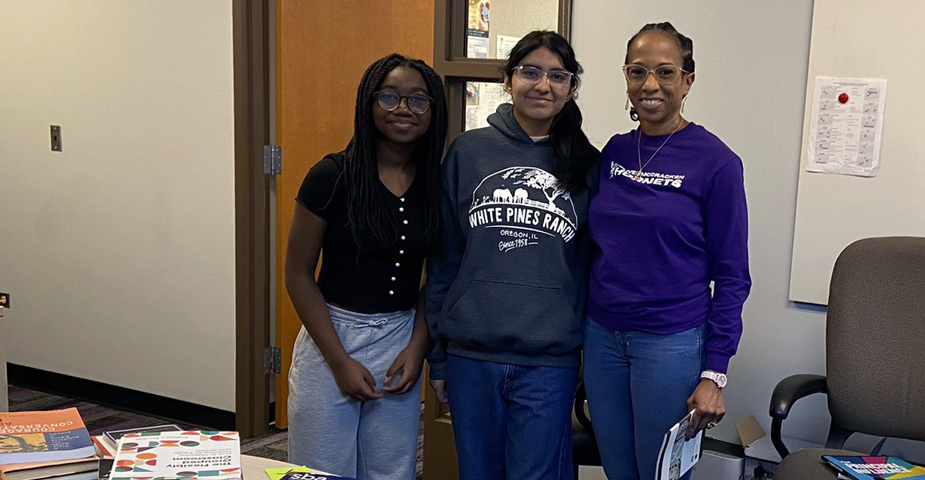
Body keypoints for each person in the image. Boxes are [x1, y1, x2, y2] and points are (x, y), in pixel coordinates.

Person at [425, 30, 600, 480]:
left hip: (549, 361)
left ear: (570, 88)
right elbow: (445, 261)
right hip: (471, 357)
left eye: (558, 76)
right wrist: (439, 358)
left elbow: (590, 269)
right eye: (531, 72)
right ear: (507, 79)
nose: (543, 85)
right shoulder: (468, 151)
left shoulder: (585, 163)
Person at [585, 22, 751, 480]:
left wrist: (713, 373)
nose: (650, 85)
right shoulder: (614, 153)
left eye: (665, 72)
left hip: (670, 342)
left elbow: (733, 275)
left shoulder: (716, 162)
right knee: (617, 470)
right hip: (601, 338)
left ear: (687, 81)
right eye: (637, 72)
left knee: (660, 474)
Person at [284, 53, 447, 480]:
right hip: (332, 337)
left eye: (417, 100)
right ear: (369, 102)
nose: (402, 109)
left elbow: (439, 276)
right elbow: (298, 274)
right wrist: (339, 360)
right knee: (319, 472)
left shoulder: (437, 184)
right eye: (389, 96)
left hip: (400, 340)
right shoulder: (331, 175)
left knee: (391, 471)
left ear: (433, 111)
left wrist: (418, 347)